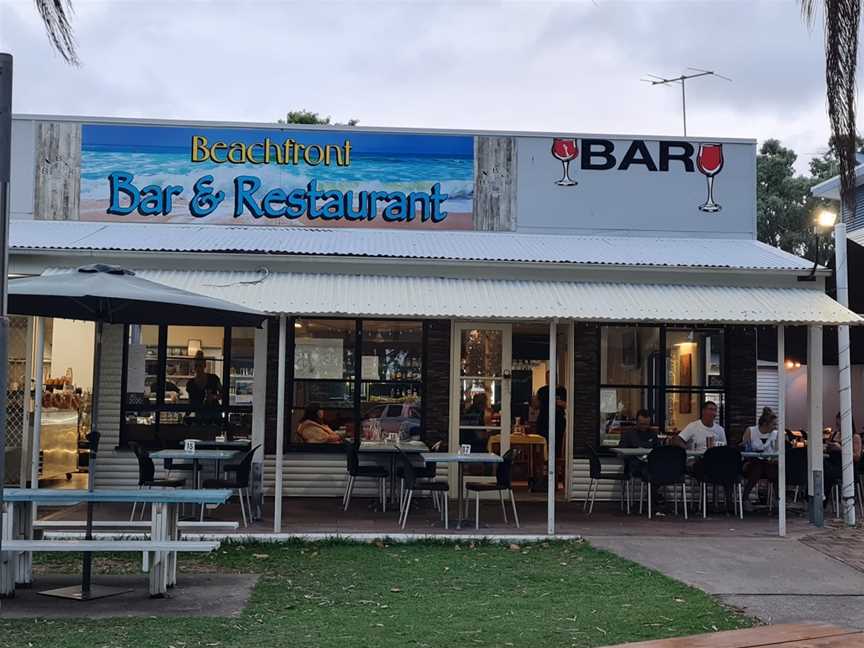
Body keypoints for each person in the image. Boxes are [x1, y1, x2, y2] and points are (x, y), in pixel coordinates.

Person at [741, 407, 779, 509]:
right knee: (757, 468)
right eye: (774, 424)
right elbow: (744, 448)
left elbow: (777, 451)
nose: (776, 426)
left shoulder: (776, 434)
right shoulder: (750, 431)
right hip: (752, 463)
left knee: (775, 470)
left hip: (769, 464)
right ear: (765, 424)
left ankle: (777, 499)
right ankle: (745, 499)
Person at [535, 371, 567, 490]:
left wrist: (560, 402)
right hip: (543, 422)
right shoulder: (542, 390)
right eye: (547, 378)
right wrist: (534, 401)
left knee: (556, 448)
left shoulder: (562, 390)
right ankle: (543, 476)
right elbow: (536, 406)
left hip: (558, 422)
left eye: (551, 377)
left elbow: (568, 404)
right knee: (543, 446)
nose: (549, 380)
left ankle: (555, 476)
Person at [618, 409, 659, 486]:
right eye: (642, 424)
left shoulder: (652, 434)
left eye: (647, 424)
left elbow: (658, 450)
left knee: (660, 469)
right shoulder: (628, 434)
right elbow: (620, 453)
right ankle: (653, 494)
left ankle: (652, 494)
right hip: (634, 464)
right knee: (649, 470)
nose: (644, 426)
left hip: (650, 463)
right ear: (636, 422)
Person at [186, 350, 222, 425]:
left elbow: (223, 394)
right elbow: (190, 402)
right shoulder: (190, 383)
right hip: (200, 416)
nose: (198, 368)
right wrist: (186, 415)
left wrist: (213, 397)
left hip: (214, 415)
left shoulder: (214, 378)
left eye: (200, 366)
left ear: (204, 365)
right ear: (193, 367)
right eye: (196, 366)